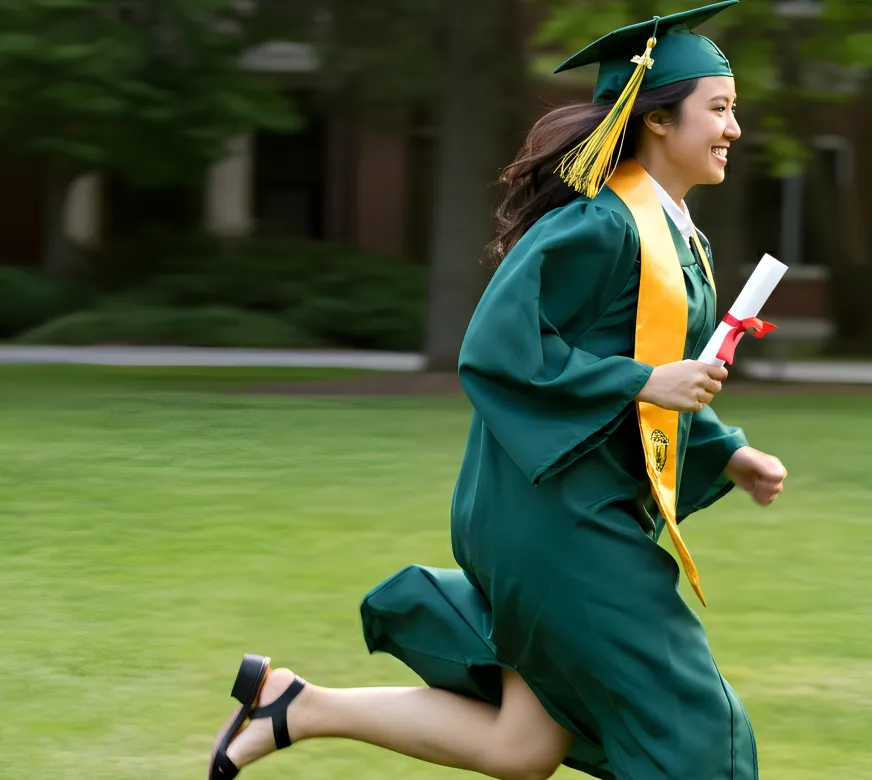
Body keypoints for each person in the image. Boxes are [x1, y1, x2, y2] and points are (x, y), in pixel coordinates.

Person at [207, 2, 788, 779]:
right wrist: (648, 379)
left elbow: (644, 369)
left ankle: (295, 706)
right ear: (656, 118)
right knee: (694, 730)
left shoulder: (676, 233)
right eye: (718, 109)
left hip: (573, 510)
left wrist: (725, 452)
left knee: (523, 747)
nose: (733, 129)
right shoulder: (600, 223)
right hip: (555, 521)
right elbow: (498, 349)